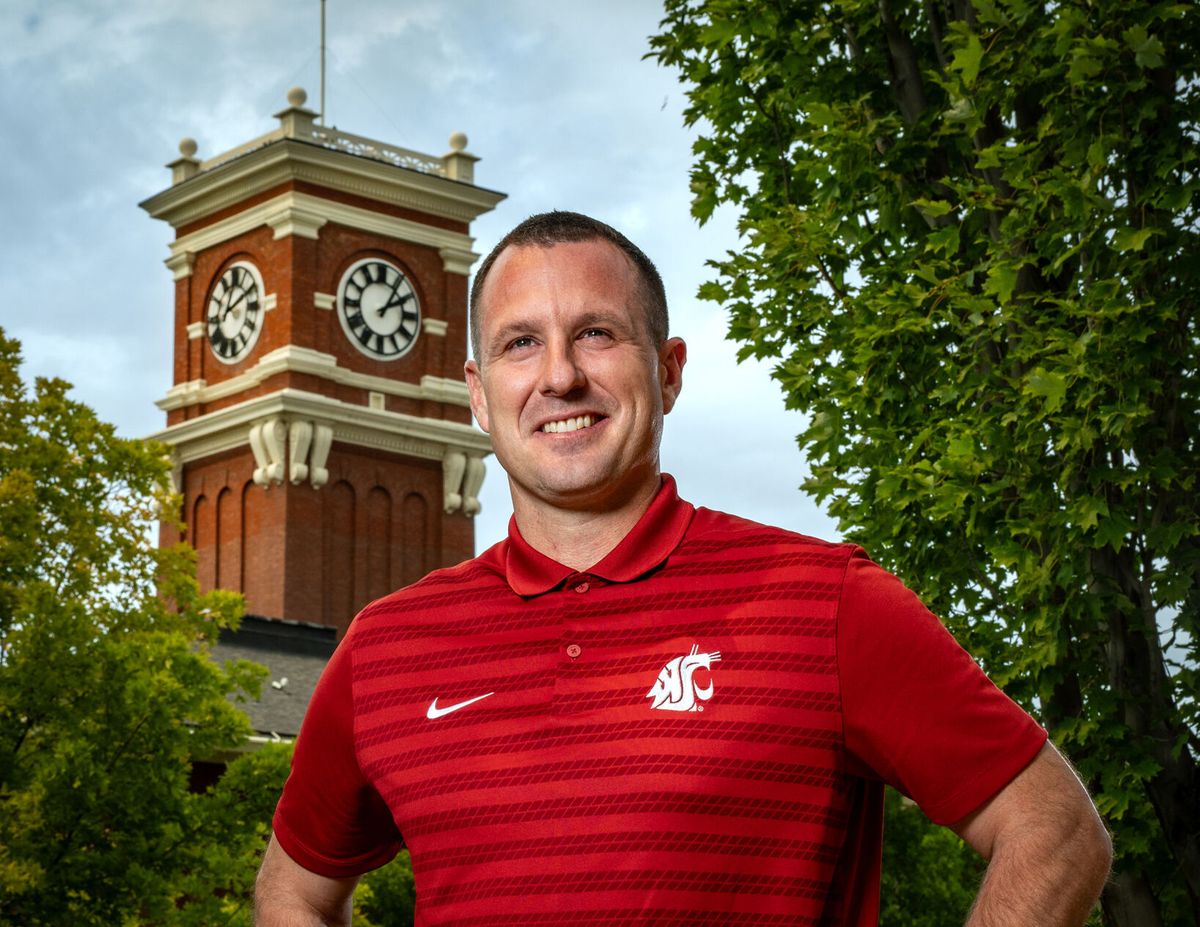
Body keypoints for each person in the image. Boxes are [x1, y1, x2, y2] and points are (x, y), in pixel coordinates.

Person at [254, 211, 1112, 926]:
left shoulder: (825, 602)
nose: (559, 375)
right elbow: (292, 891)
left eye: (596, 333)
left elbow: (1056, 828)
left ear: (667, 372)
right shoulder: (387, 648)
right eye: (522, 343)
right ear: (479, 394)